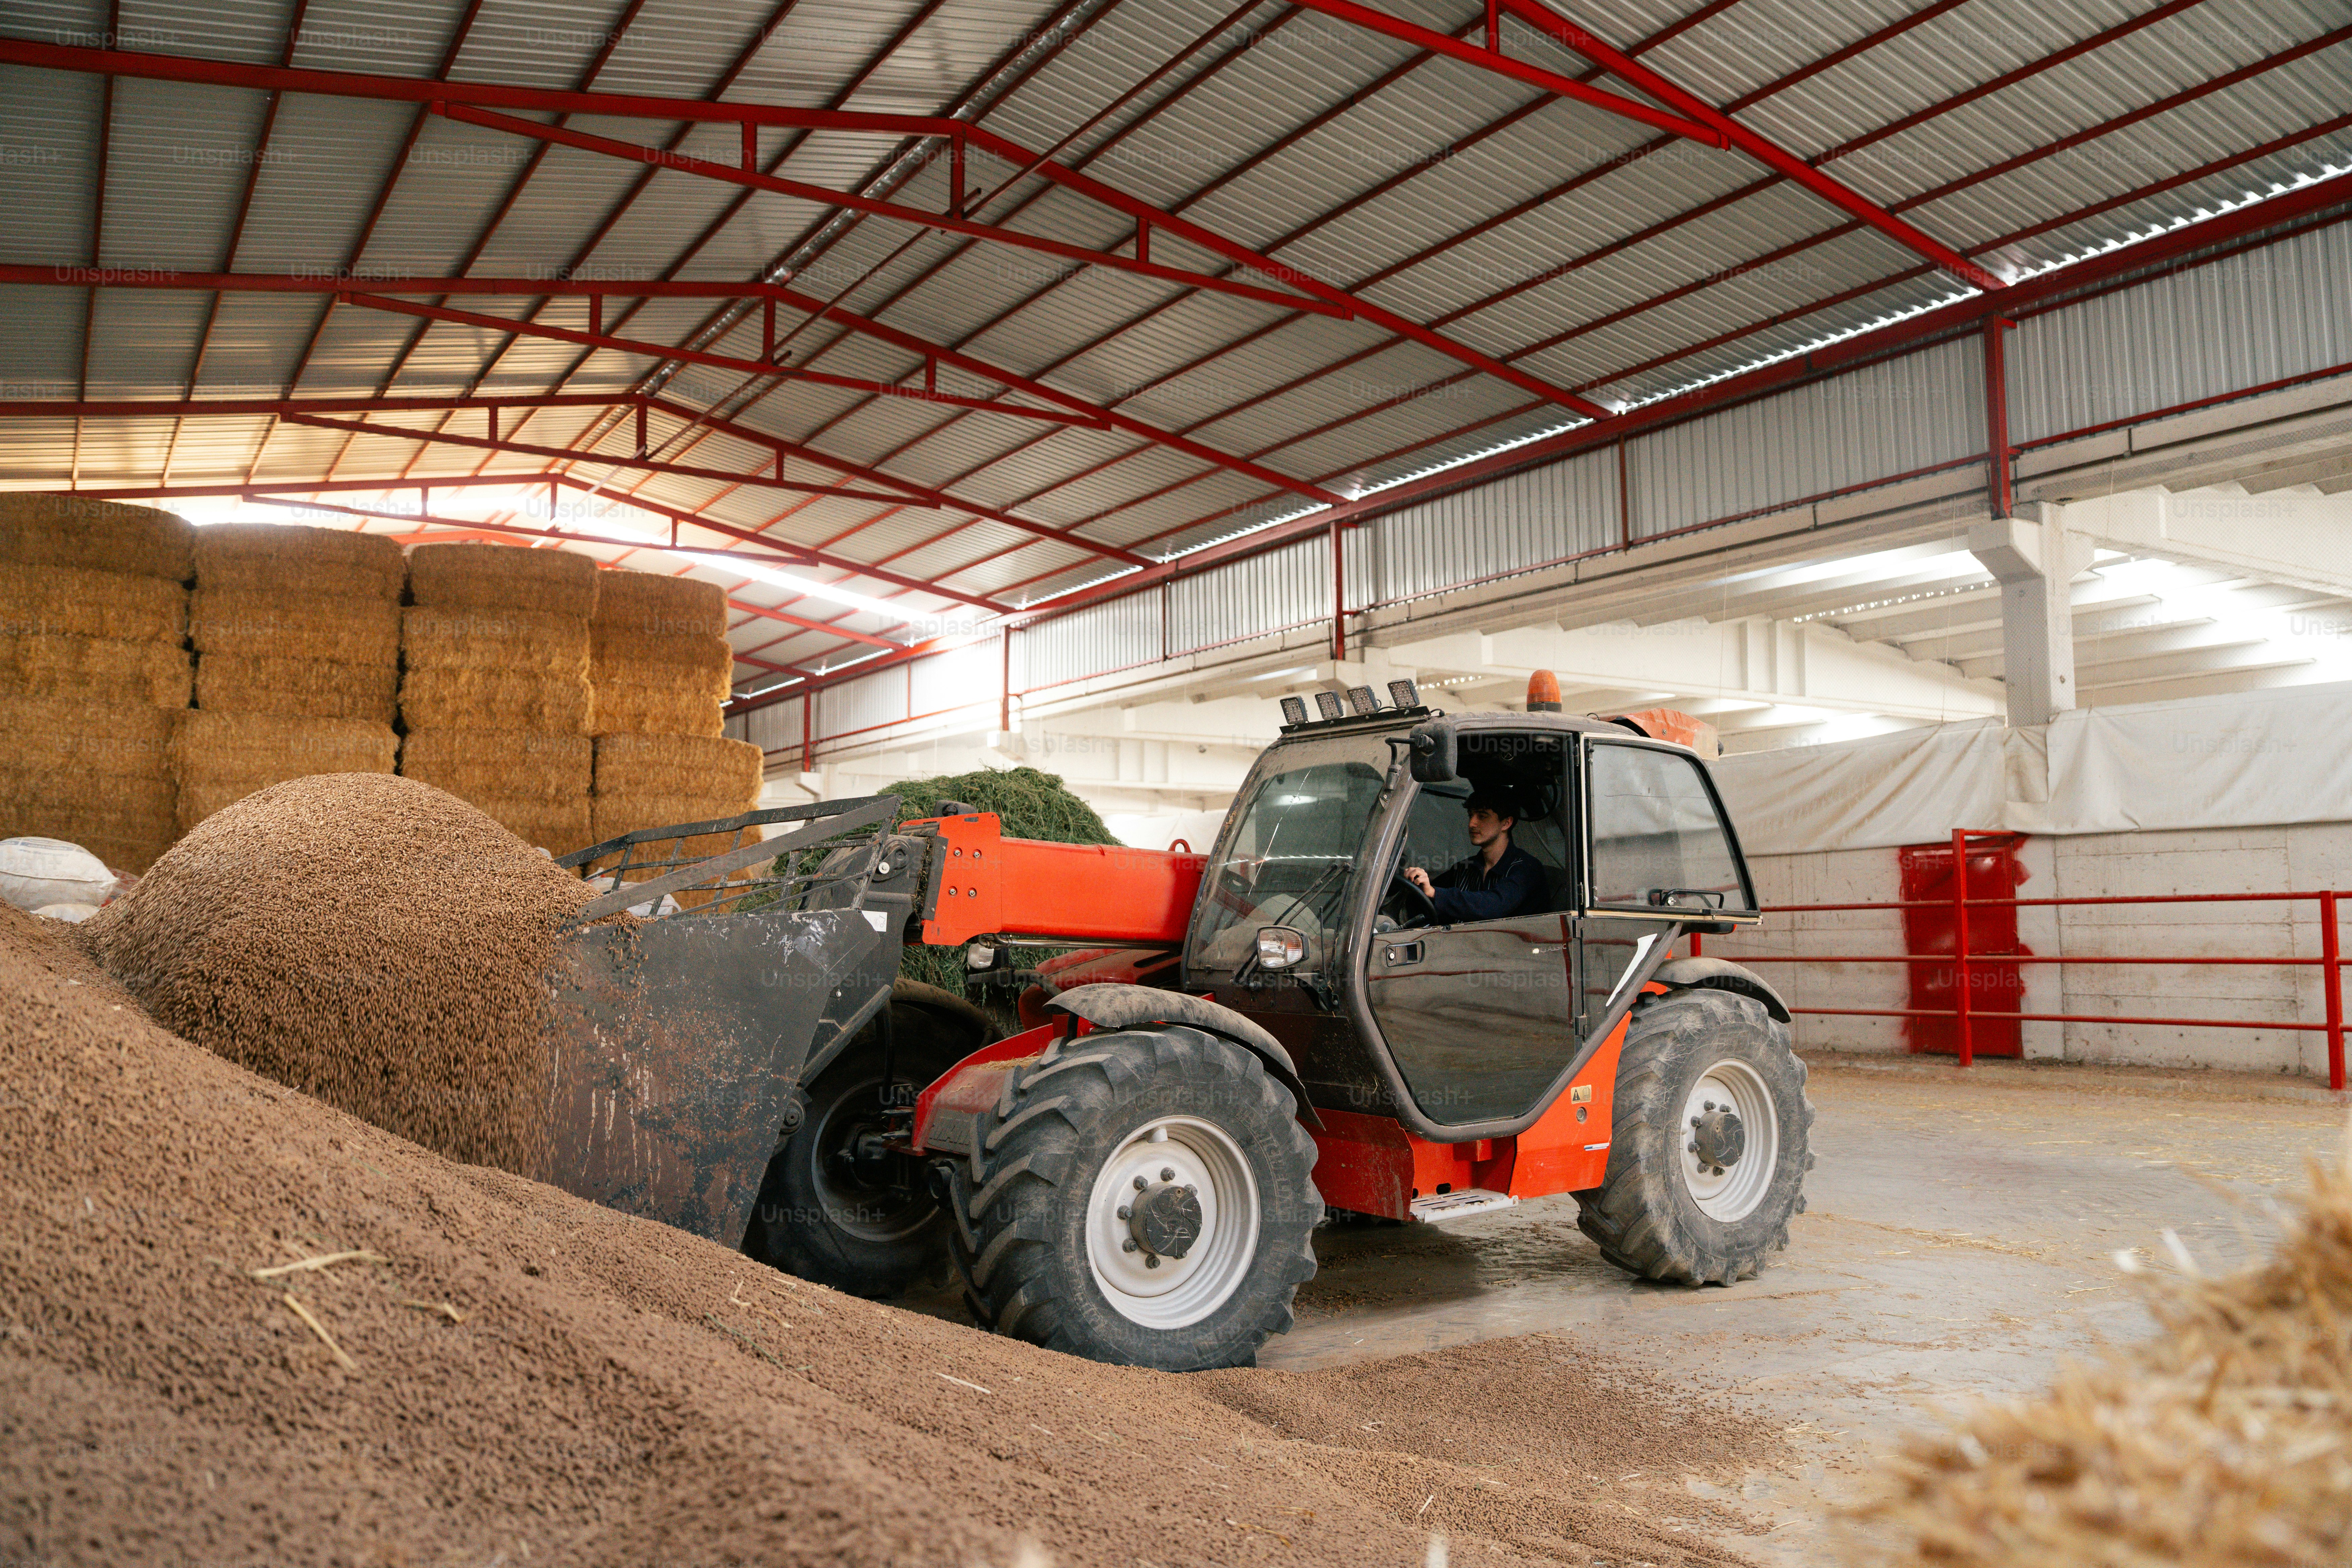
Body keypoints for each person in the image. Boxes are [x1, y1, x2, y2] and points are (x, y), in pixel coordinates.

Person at [1405, 792, 1546, 924]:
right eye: (1471, 815)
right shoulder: (1464, 869)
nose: (1472, 824)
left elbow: (1493, 905)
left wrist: (1435, 893)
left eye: (1482, 816)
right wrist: (1416, 883)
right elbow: (1427, 901)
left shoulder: (1526, 868)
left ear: (1506, 823)